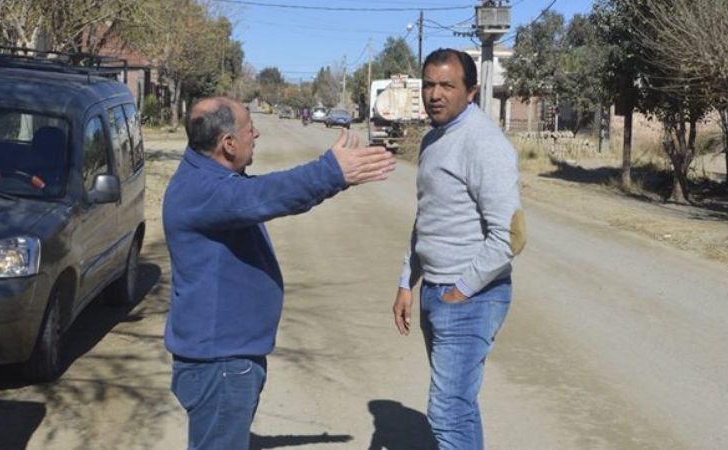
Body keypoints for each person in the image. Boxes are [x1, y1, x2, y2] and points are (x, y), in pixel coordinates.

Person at [162, 96, 395, 450]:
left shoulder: (207, 177)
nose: (256, 134)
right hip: (219, 364)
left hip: (225, 359)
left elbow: (261, 194)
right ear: (228, 144)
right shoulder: (204, 191)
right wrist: (331, 171)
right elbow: (267, 195)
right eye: (249, 128)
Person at [392, 48, 526, 450]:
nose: (435, 94)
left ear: (471, 92)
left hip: (472, 297)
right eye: (429, 84)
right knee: (459, 406)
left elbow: (511, 236)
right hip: (437, 290)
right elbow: (428, 217)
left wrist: (461, 291)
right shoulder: (433, 139)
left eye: (447, 86)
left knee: (447, 412)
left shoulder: (484, 143)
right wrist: (407, 281)